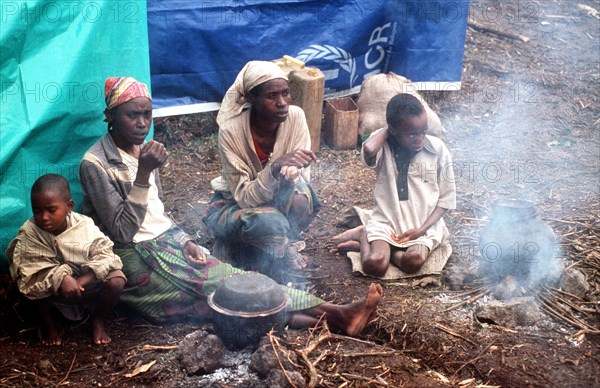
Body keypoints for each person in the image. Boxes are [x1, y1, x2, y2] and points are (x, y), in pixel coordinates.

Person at [78, 76, 382, 336]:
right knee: (229, 293)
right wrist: (143, 173)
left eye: (147, 113)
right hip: (133, 260)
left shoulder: (144, 150)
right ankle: (338, 315)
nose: (143, 123)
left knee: (228, 298)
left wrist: (184, 240)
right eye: (133, 115)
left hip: (166, 246)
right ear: (110, 116)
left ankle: (338, 318)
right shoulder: (96, 164)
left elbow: (156, 213)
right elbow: (121, 231)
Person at [203, 61, 320, 281]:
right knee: (270, 222)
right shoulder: (231, 131)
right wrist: (274, 168)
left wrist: (292, 173)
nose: (282, 103)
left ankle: (273, 245)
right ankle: (235, 242)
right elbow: (244, 198)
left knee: (302, 198)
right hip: (233, 205)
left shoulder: (296, 117)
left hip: (275, 199)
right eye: (272, 96)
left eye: (286, 93)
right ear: (251, 99)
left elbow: (302, 177)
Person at [332, 94, 456, 277]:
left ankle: (390, 252)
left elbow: (446, 200)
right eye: (413, 134)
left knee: (412, 261)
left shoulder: (437, 149)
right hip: (387, 223)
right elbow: (368, 149)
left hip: (422, 227)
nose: (420, 138)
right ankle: (364, 234)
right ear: (394, 130)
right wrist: (388, 129)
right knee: (374, 265)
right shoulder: (382, 145)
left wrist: (421, 230)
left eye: (424, 131)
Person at [6, 174, 126, 346]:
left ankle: (97, 320)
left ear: (69, 206)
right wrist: (62, 278)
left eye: (51, 210)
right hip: (53, 289)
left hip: (85, 284)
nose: (44, 217)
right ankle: (49, 324)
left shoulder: (84, 225)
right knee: (29, 277)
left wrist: (82, 280)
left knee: (117, 280)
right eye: (37, 210)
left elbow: (106, 255)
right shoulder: (30, 233)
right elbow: (30, 267)